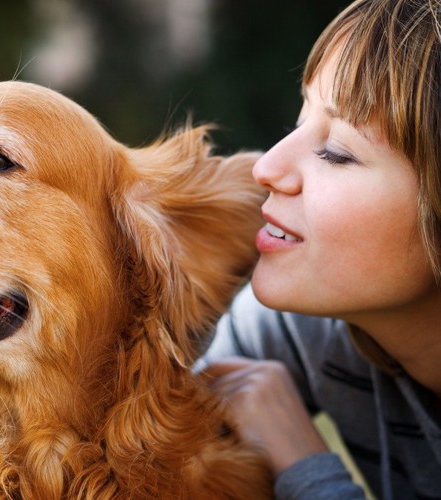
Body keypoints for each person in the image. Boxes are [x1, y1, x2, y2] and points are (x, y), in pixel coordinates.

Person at [195, 0, 441, 498]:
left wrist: (306, 469)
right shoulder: (310, 330)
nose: (266, 167)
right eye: (300, 120)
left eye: (337, 152)